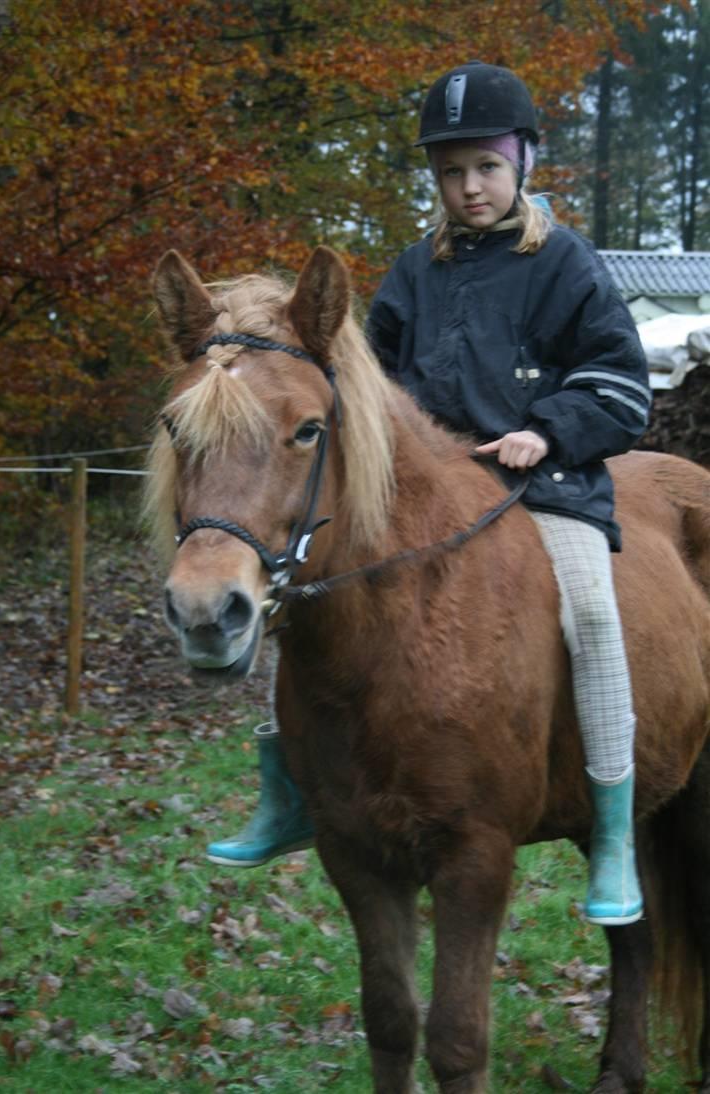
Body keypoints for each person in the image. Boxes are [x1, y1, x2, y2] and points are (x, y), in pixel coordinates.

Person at [207, 60, 650, 928]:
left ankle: (613, 830)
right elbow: (371, 391)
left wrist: (549, 428)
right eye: (451, 172)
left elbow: (622, 383)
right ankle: (288, 791)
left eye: (485, 166)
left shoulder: (567, 264)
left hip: (546, 489)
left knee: (595, 618)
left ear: (524, 160)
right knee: (300, 595)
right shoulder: (414, 272)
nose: (469, 187)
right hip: (429, 503)